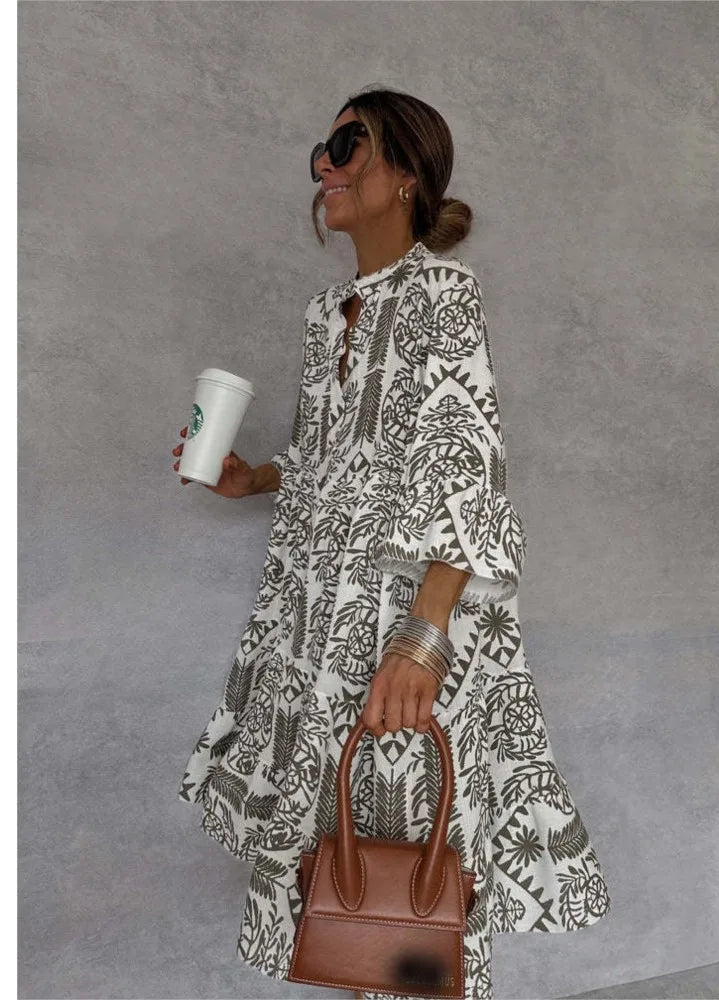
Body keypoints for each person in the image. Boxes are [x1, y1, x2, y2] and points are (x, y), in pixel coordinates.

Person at [175, 86, 612, 1000]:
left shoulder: (443, 292)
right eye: (322, 149)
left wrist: (423, 638)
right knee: (341, 867)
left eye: (348, 145)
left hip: (400, 621)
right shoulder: (324, 313)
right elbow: (333, 456)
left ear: (406, 172)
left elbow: (465, 464)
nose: (324, 164)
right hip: (313, 622)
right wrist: (252, 478)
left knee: (412, 863)